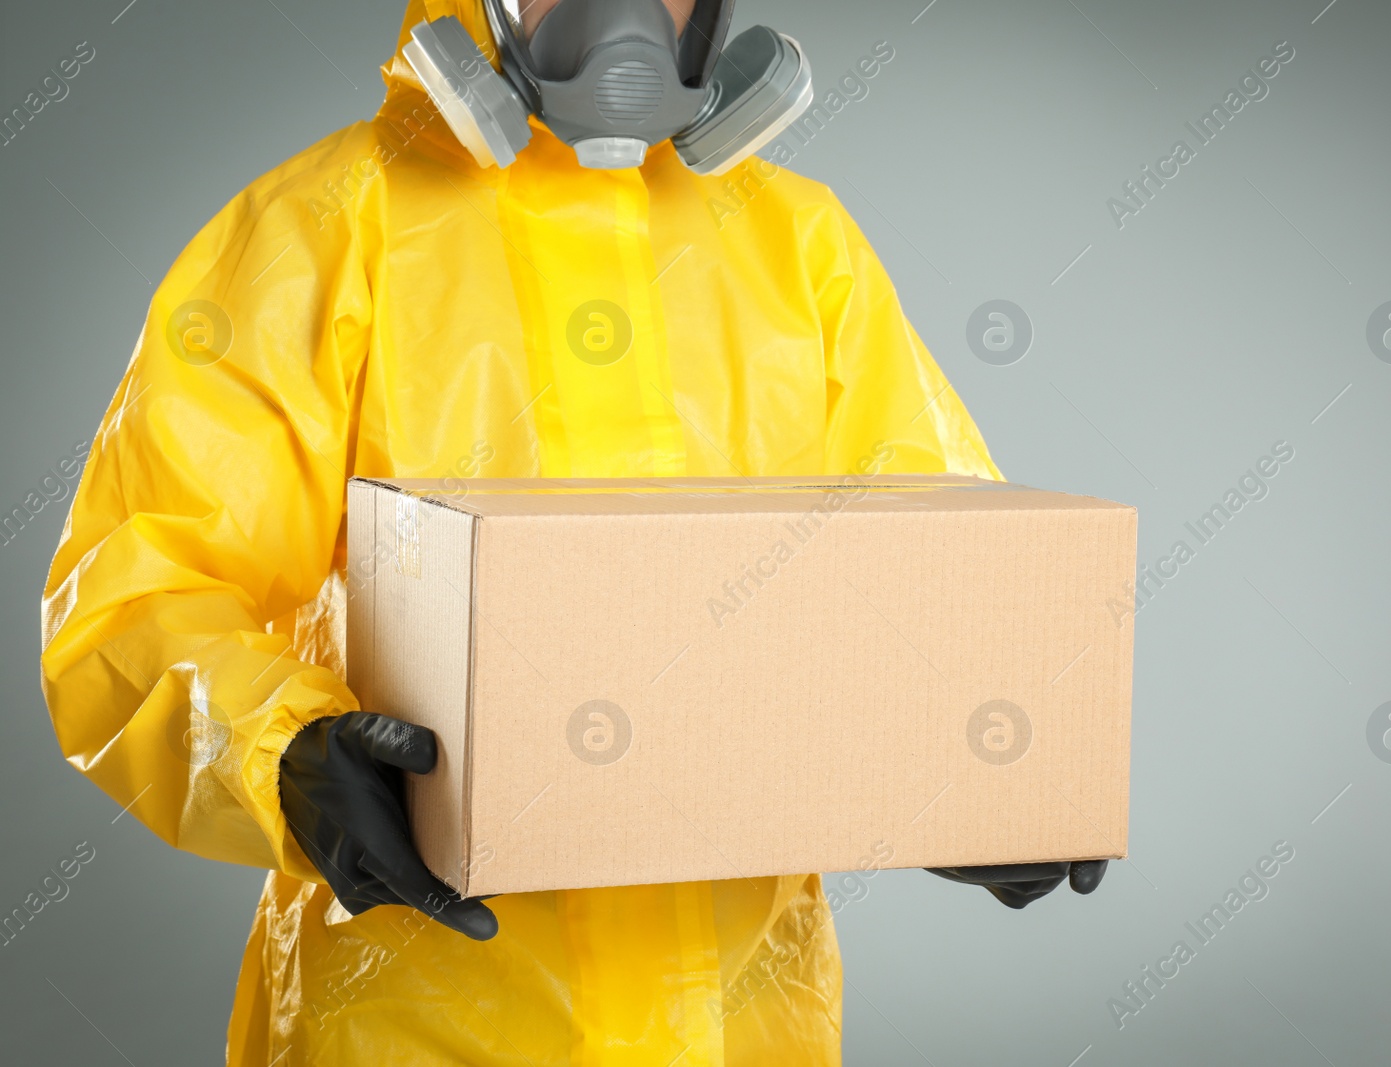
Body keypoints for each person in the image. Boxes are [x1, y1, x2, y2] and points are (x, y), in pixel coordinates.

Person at [40, 1, 1104, 1063]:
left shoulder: (800, 249)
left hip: (747, 1026)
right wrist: (282, 753)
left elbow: (930, 575)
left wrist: (973, 767)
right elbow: (138, 594)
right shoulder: (324, 232)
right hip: (413, 1022)